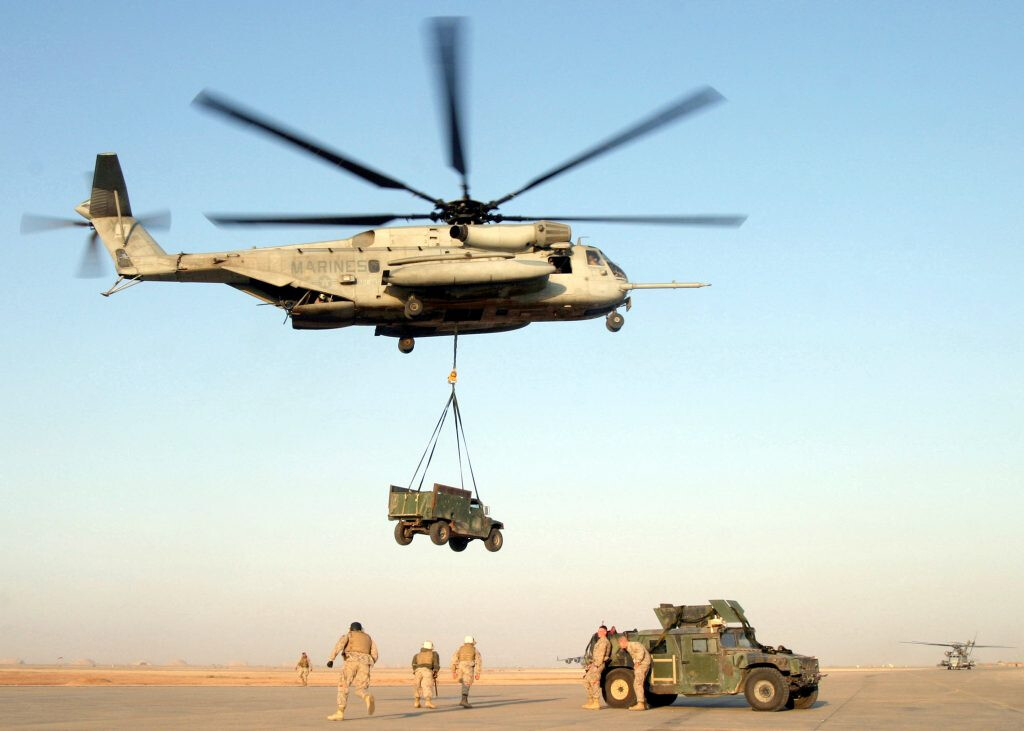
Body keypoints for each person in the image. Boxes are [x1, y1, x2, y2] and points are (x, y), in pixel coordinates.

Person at [325, 621, 378, 722]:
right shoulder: (368, 638)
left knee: (343, 685)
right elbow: (375, 653)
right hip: (365, 662)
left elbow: (339, 645)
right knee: (360, 688)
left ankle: (340, 712)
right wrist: (370, 662)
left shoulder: (349, 635)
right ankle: (366, 696)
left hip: (351, 661)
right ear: (361, 629)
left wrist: (331, 659)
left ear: (351, 628)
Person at [617, 635, 651, 711]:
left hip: (642, 665)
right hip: (642, 664)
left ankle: (640, 704)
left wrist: (638, 662)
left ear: (623, 642)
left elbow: (641, 651)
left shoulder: (634, 644)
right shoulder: (629, 647)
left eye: (619, 643)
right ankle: (644, 704)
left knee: (637, 684)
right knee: (639, 683)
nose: (619, 646)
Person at [582, 626, 611, 710]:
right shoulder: (600, 641)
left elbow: (601, 655)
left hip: (599, 664)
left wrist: (596, 665)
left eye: (601, 631)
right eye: (598, 631)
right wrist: (592, 664)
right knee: (586, 680)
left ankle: (596, 702)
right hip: (595, 664)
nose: (599, 632)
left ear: (605, 632)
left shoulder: (604, 641)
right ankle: (590, 700)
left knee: (594, 682)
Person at [450, 635, 482, 708]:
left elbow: (454, 660)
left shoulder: (460, 649)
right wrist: (478, 673)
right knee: (467, 683)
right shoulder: (474, 650)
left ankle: (465, 700)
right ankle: (464, 701)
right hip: (468, 668)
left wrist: (454, 671)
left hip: (460, 668)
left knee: (464, 683)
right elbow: (478, 661)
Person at [411, 640, 440, 709]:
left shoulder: (417, 655)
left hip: (418, 671)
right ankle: (428, 702)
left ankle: (416, 702)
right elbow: (436, 664)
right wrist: (435, 672)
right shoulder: (434, 654)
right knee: (427, 685)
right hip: (427, 671)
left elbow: (413, 664)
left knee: (417, 686)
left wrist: (415, 671)